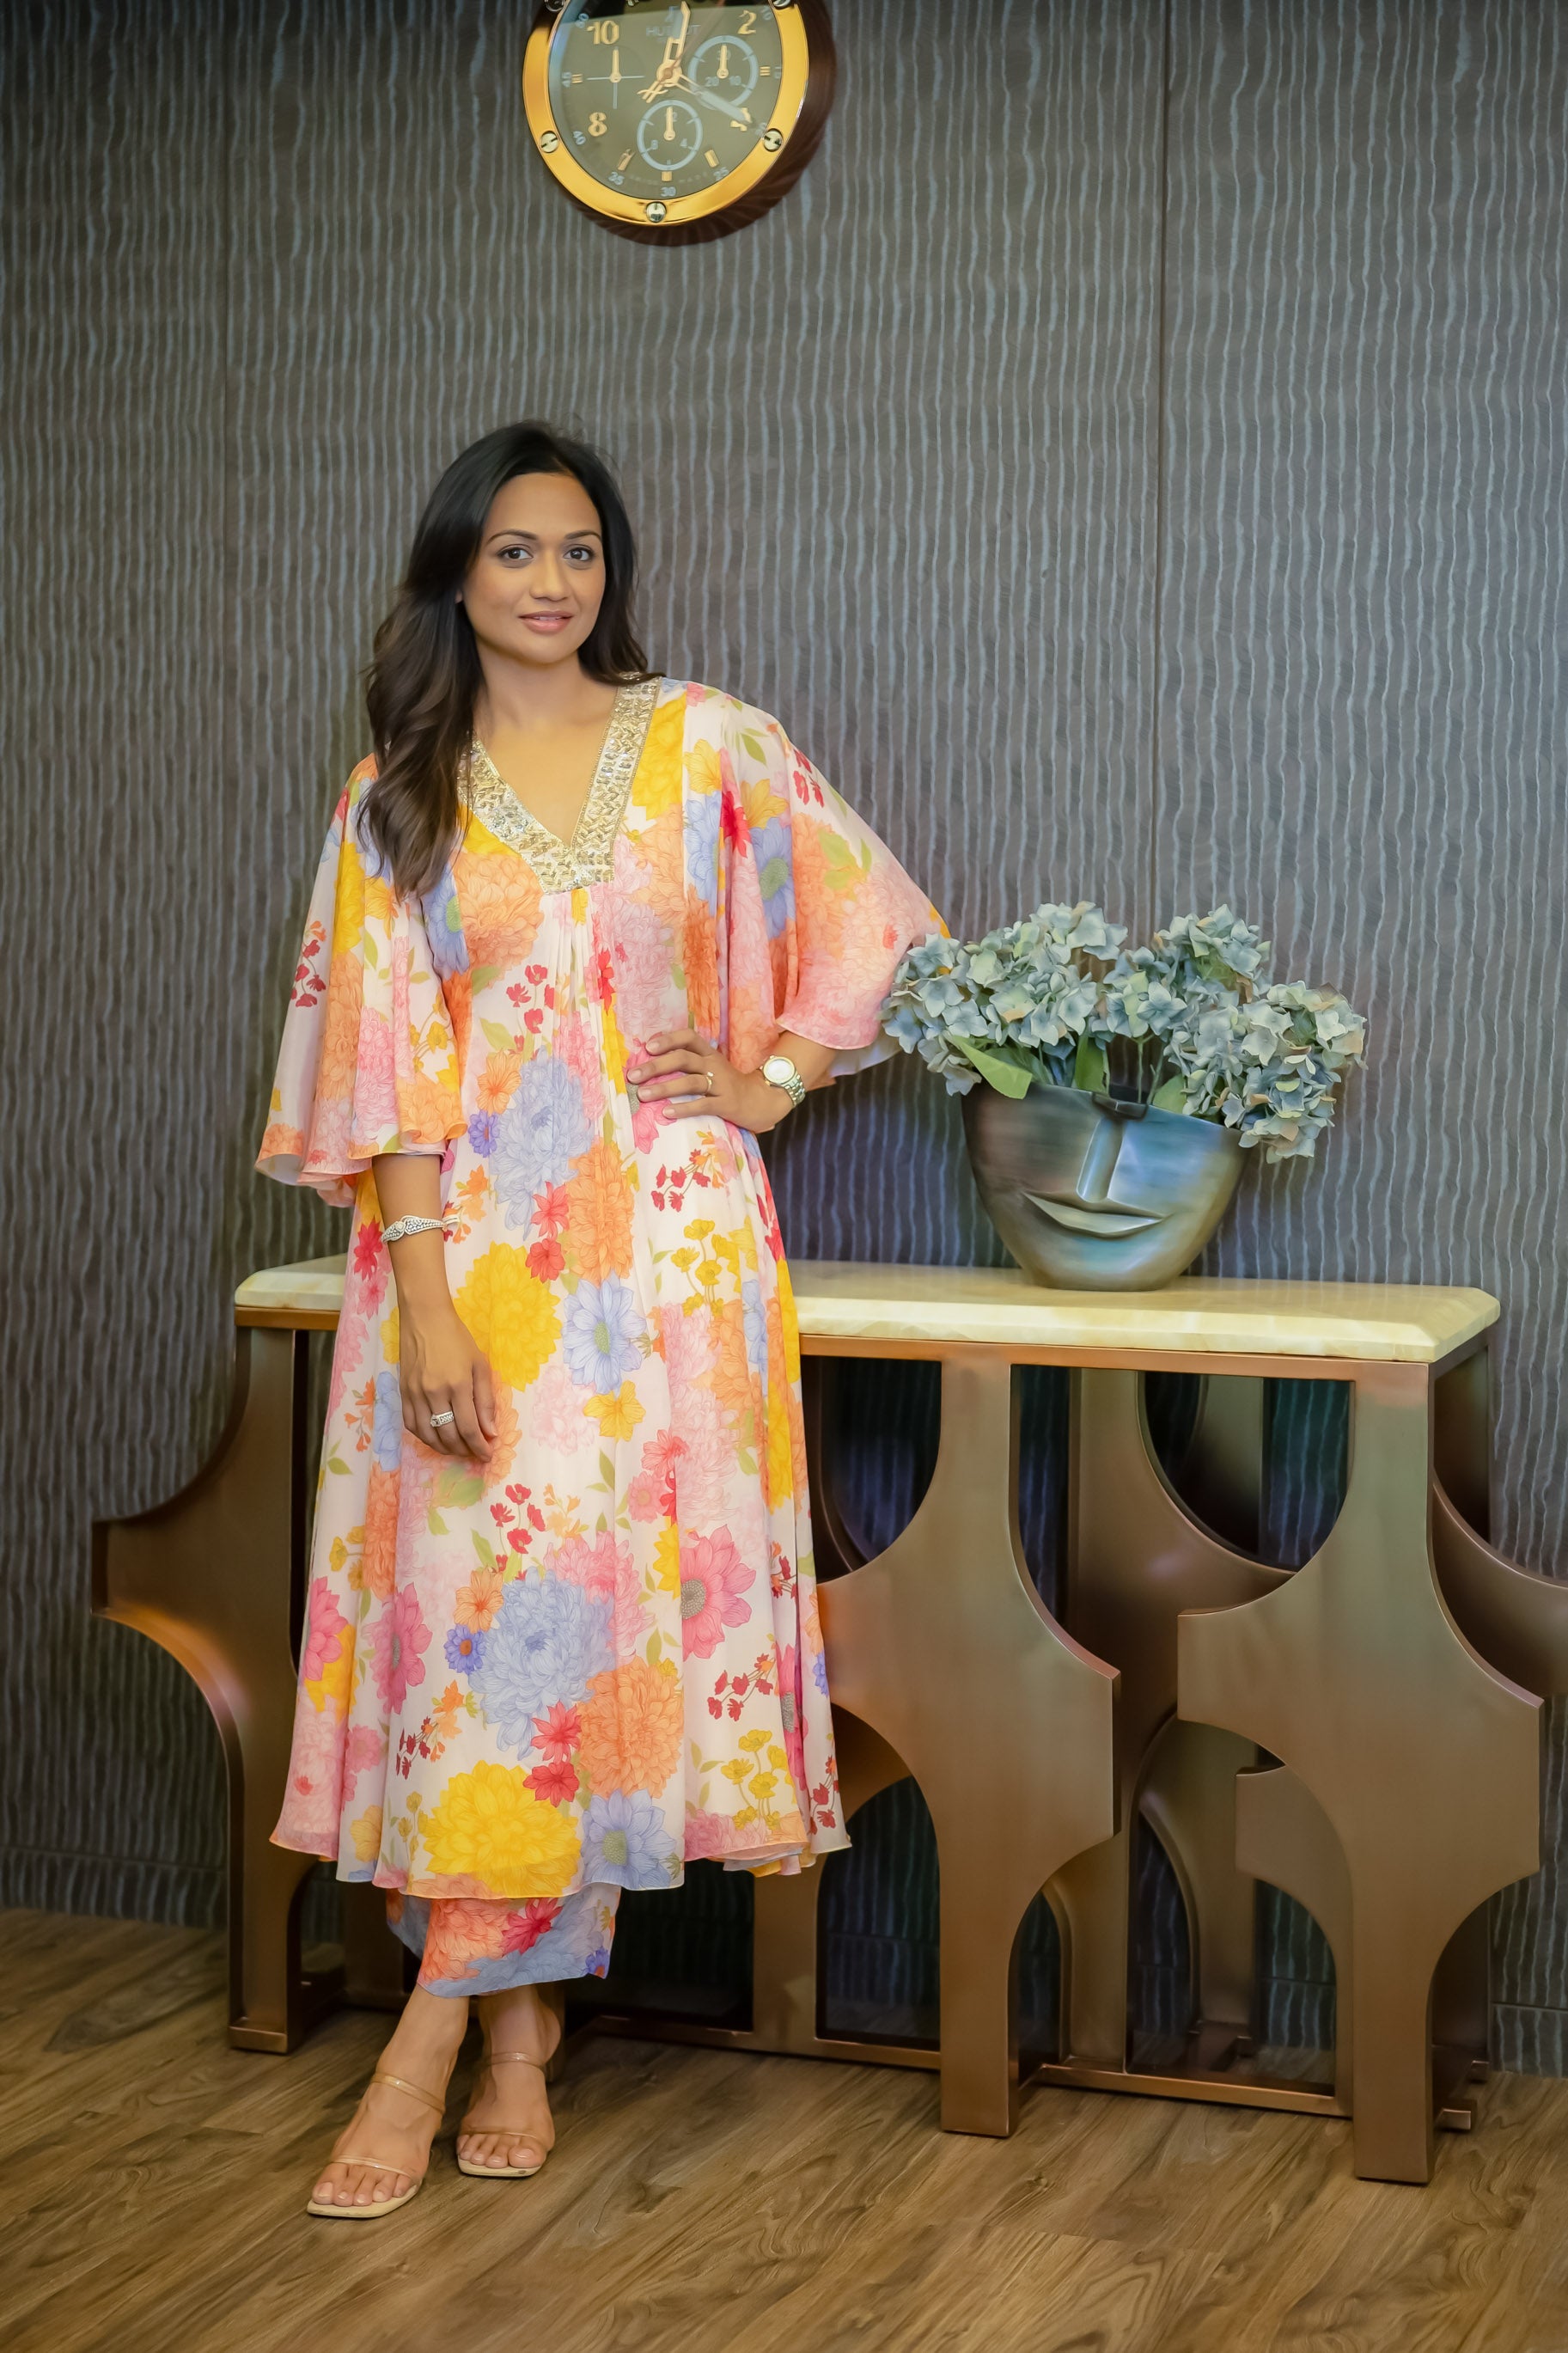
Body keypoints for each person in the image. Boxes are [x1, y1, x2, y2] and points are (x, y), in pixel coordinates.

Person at [259, 420, 942, 2217]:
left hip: (676, 1268)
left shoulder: (706, 742)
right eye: (515, 551)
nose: (553, 582)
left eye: (579, 551)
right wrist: (425, 1303)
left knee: (601, 1653)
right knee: (484, 1656)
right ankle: (507, 2029)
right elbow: (386, 1072)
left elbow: (872, 919)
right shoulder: (393, 795)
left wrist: (770, 1079)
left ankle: (438, 2042)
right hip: (471, 1272)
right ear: (454, 574)